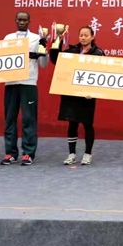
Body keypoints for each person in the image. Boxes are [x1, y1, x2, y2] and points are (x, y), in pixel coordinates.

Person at [50, 26, 105, 166]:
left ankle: (87, 154)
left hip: (88, 96)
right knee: (72, 123)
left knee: (87, 125)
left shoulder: (98, 53)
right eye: (81, 35)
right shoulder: (72, 51)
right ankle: (71, 154)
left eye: (86, 35)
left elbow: (103, 74)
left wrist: (94, 92)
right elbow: (56, 60)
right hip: (71, 94)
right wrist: (57, 41)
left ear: (92, 37)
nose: (83, 38)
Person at [0, 11, 48, 166]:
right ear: (15, 20)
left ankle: (28, 153)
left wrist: (43, 50)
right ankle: (10, 153)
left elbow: (44, 64)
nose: (21, 22)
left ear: (29, 21)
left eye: (24, 20)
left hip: (29, 83)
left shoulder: (36, 38)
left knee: (29, 119)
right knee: (10, 119)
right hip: (11, 82)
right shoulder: (8, 38)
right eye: (19, 19)